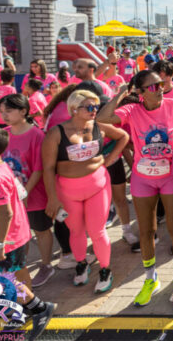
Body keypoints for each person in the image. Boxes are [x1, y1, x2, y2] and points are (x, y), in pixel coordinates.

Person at [96, 70, 173, 307]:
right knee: (146, 231)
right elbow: (102, 118)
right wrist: (120, 94)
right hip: (143, 179)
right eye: (152, 87)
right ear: (140, 93)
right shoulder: (132, 110)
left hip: (171, 176)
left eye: (160, 84)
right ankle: (151, 279)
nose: (159, 89)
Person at [0, 127, 55, 339]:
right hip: (13, 235)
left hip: (6, 239)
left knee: (6, 280)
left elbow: (6, 214)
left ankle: (39, 308)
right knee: (17, 272)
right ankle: (22, 308)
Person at [42, 90, 128, 293]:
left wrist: (108, 160)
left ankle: (105, 269)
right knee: (77, 231)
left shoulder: (99, 126)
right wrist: (52, 197)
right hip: (68, 190)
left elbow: (123, 136)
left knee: (98, 230)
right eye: (89, 107)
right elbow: (48, 168)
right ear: (74, 109)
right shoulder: (56, 133)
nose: (94, 111)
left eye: (96, 107)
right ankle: (81, 263)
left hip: (98, 186)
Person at [0, 94, 54, 287]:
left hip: (34, 195)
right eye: (2, 111)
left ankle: (46, 265)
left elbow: (39, 168)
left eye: (9, 111)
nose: (4, 115)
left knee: (41, 229)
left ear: (23, 111)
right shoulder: (3, 134)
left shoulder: (36, 135)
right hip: (9, 197)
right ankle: (21, 266)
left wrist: (25, 193)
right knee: (17, 234)